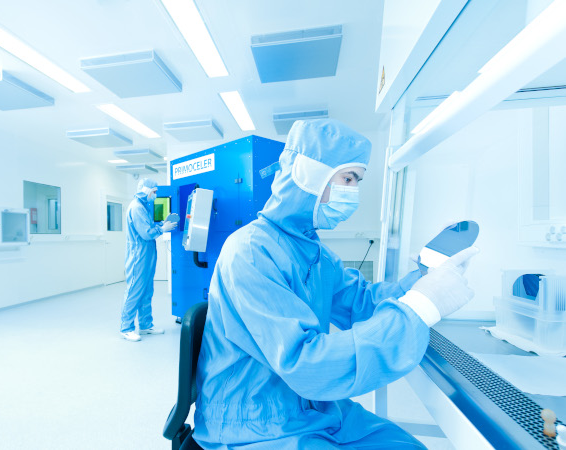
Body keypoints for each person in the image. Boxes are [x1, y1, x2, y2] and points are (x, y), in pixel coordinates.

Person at [193, 119, 478, 448]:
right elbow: (304, 363)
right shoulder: (250, 253)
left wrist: (426, 276)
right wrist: (422, 307)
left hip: (311, 408)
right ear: (309, 174)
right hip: (255, 420)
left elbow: (363, 303)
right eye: (349, 178)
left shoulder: (314, 252)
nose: (353, 192)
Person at [120, 178, 176, 342]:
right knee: (134, 291)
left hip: (147, 254)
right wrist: (162, 228)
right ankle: (126, 328)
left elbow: (148, 228)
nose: (156, 194)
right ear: (146, 190)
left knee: (146, 291)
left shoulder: (142, 207)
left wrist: (161, 226)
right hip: (139, 255)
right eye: (154, 191)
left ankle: (145, 325)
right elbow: (146, 233)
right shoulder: (137, 208)